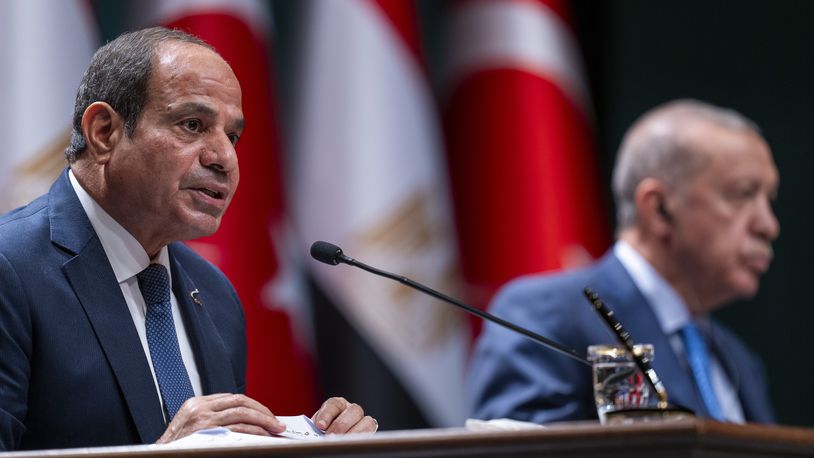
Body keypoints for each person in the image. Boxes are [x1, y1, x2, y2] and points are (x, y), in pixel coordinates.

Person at [0, 27, 376, 451]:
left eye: (232, 136)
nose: (225, 159)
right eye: (193, 125)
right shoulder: (11, 269)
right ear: (104, 132)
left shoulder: (215, 297)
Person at [468, 99, 778, 424]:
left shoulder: (738, 360)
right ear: (658, 208)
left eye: (768, 200)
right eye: (743, 194)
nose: (768, 225)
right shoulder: (545, 317)